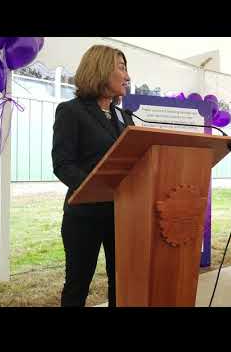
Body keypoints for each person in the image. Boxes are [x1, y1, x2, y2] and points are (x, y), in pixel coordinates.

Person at [52, 45, 133, 307]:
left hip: (121, 214)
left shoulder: (125, 116)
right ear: (100, 68)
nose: (127, 76)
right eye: (121, 67)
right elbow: (63, 164)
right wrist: (93, 187)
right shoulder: (71, 111)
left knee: (120, 283)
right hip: (84, 215)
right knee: (78, 284)